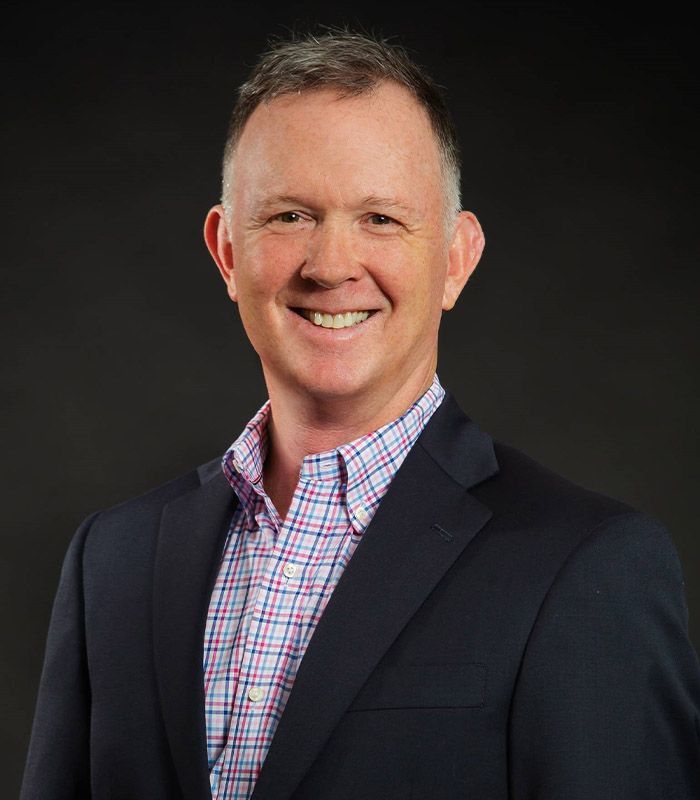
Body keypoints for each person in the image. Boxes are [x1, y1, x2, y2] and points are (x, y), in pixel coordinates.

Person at [22, 30, 700, 800]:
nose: (332, 265)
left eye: (380, 218)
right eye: (288, 216)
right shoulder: (109, 559)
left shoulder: (587, 566)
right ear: (227, 252)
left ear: (455, 259)